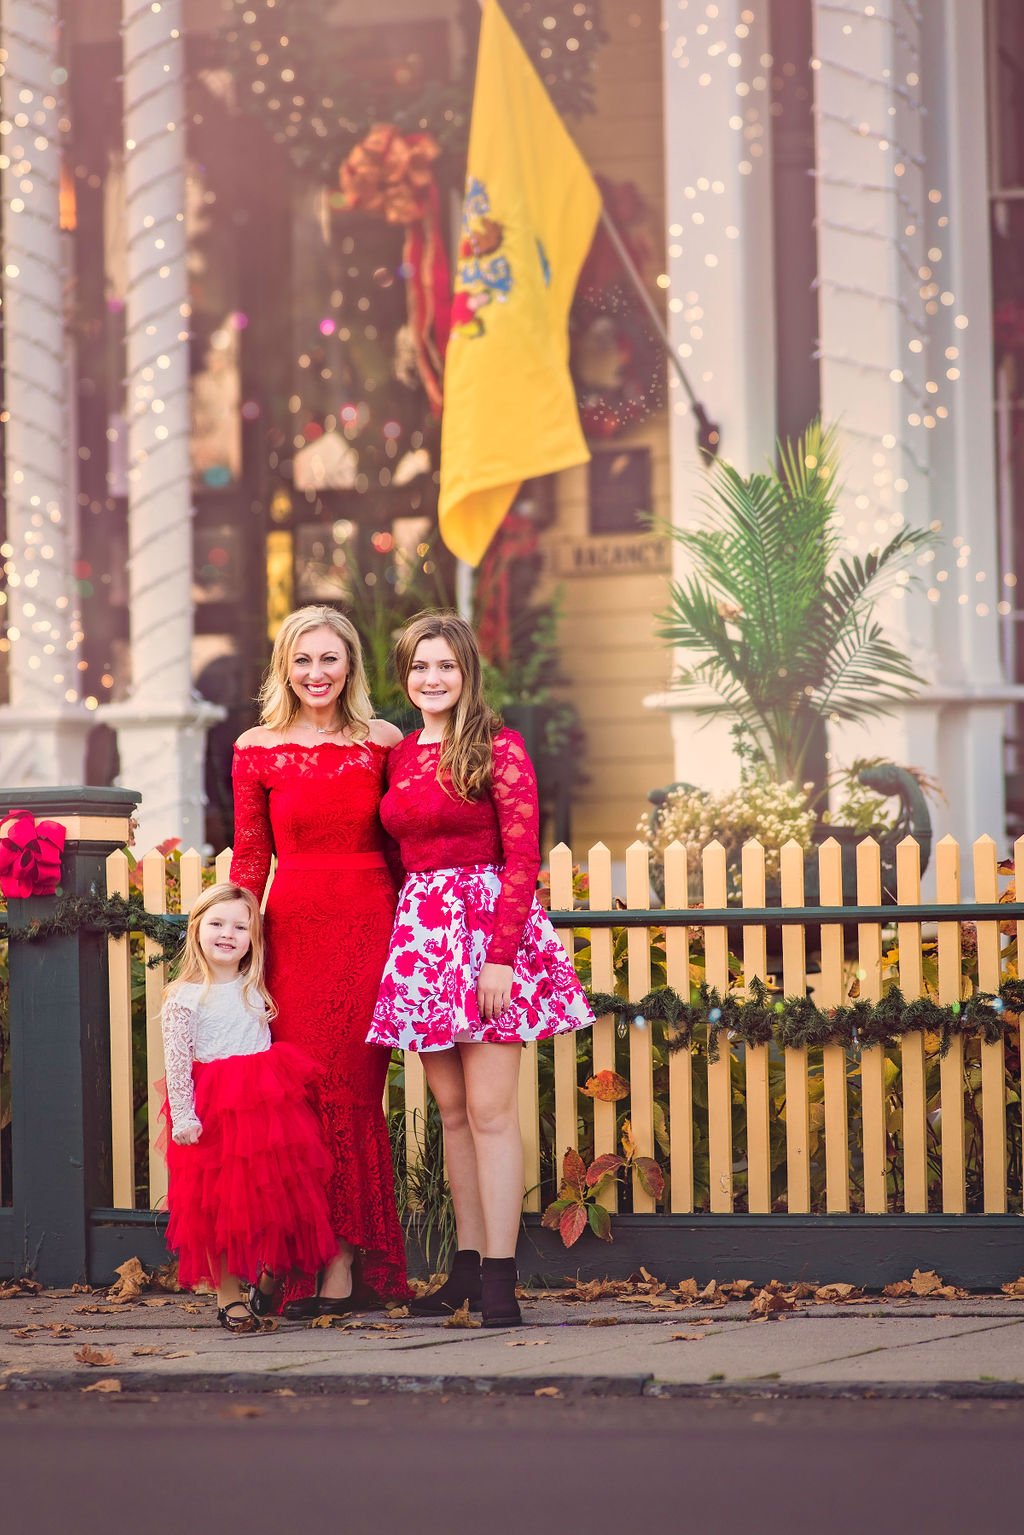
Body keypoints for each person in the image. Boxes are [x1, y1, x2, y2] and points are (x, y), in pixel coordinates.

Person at [367, 611, 594, 1327]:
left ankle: (502, 1278)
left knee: (493, 1112)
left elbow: (523, 858)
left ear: (467, 672)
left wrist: (499, 957)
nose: (432, 679)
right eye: (419, 667)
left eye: (445, 666)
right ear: (405, 676)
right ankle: (465, 1267)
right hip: (423, 938)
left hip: (487, 933)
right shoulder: (398, 755)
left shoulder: (498, 747)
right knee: (455, 1114)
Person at [230, 605, 409, 1316]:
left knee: (353, 1091)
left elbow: (403, 846)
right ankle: (298, 1261)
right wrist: (236, 947)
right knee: (298, 1096)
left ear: (351, 665)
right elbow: (250, 855)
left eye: (330, 658)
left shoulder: (383, 742)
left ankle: (342, 1269)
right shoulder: (256, 747)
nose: (316, 674)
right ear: (284, 666)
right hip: (293, 931)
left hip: (371, 923)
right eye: (303, 660)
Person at [161, 883, 336, 1333]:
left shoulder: (255, 987)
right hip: (216, 1112)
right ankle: (229, 1296)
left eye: (240, 926)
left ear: (254, 937)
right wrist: (183, 1114)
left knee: (277, 1199)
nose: (228, 934)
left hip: (267, 1110)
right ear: (197, 928)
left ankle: (270, 1277)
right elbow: (177, 1063)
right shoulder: (184, 997)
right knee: (222, 1210)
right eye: (217, 924)